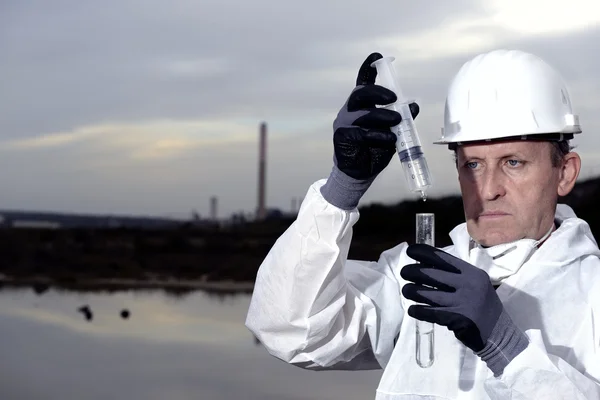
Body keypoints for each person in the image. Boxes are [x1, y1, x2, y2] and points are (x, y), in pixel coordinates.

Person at [245, 49, 600, 399]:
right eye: (472, 164)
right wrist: (342, 188)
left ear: (564, 173)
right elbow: (290, 332)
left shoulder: (592, 292)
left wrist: (505, 345)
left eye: (513, 163)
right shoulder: (417, 278)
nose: (488, 189)